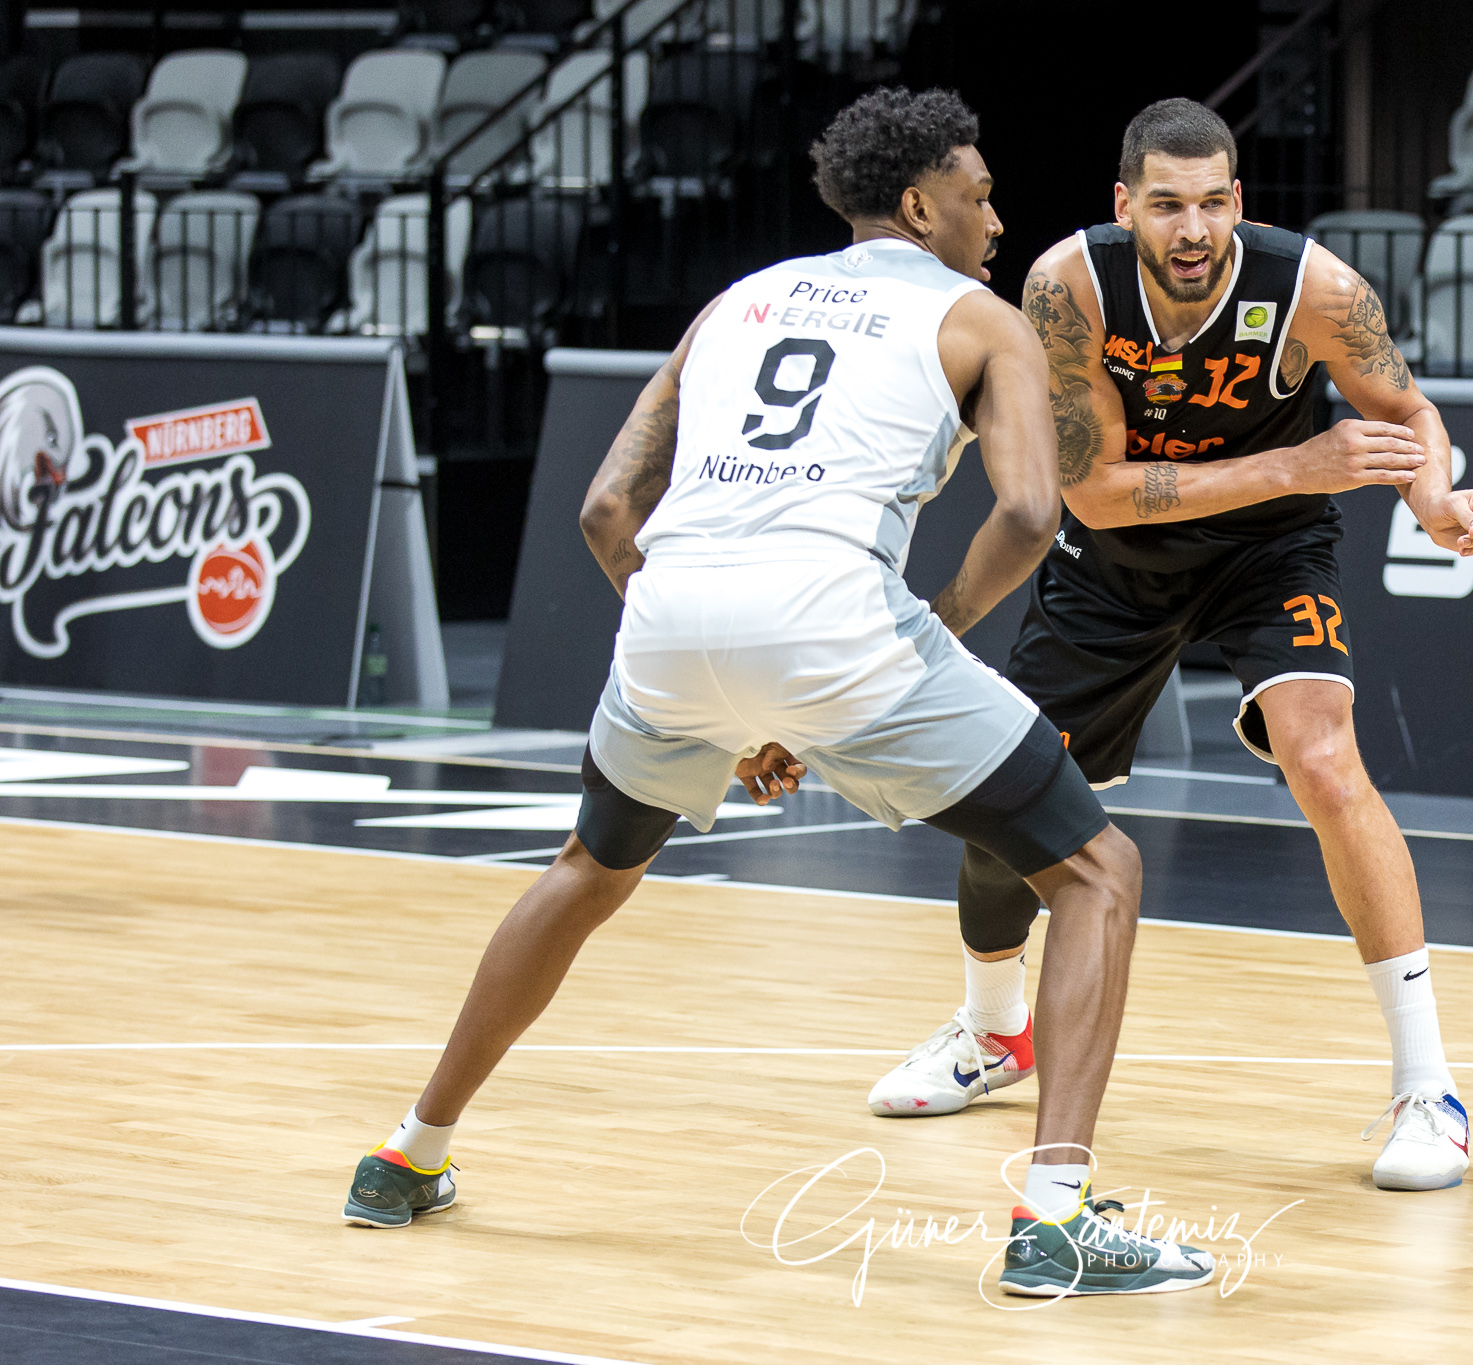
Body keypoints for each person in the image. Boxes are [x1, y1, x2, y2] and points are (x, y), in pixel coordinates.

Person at [341, 87, 1213, 1298]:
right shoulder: (980, 319)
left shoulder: (731, 303)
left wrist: (727, 685)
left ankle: (407, 1153)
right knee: (1095, 869)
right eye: (978, 192)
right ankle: (1055, 1222)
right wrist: (921, 636)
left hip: (669, 611)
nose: (997, 218)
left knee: (586, 871)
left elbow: (605, 510)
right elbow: (1026, 512)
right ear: (919, 204)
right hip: (834, 617)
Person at [866, 98, 1473, 1193]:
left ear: (1238, 204)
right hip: (1117, 563)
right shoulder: (1067, 289)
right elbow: (1099, 496)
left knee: (1322, 756)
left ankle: (1425, 1088)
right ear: (1125, 208)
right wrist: (1295, 467)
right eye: (1166, 205)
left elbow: (1408, 412)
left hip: (1269, 553)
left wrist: (1435, 499)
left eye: (1212, 202)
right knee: (1009, 801)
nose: (1192, 229)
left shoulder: (1315, 289)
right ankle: (992, 1030)